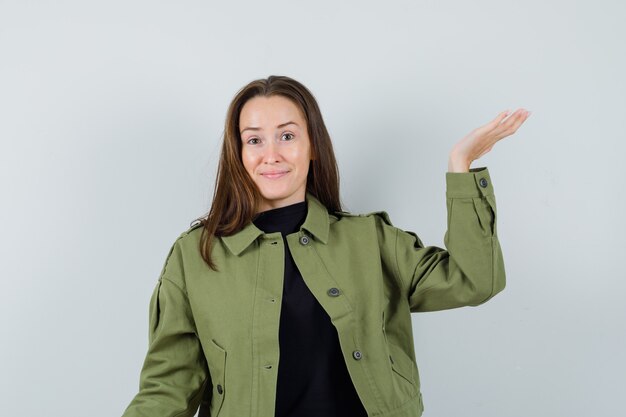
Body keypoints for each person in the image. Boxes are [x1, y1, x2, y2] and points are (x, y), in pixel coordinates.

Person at [121, 75, 530, 417]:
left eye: (287, 135)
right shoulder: (195, 257)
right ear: (238, 152)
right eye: (254, 140)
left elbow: (475, 280)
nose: (272, 154)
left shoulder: (369, 240)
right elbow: (168, 388)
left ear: (312, 145)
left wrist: (461, 167)